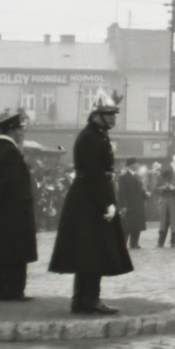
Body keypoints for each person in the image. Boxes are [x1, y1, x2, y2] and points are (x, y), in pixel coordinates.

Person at [48, 91, 133, 313]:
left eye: (114, 113)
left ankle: (84, 298)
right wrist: (107, 202)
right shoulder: (89, 137)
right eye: (107, 113)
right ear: (96, 115)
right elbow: (94, 173)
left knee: (90, 251)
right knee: (92, 251)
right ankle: (87, 298)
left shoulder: (97, 135)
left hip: (90, 196)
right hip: (89, 198)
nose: (112, 117)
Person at [0, 108, 38, 301]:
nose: (22, 133)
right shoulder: (11, 152)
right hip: (14, 211)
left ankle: (0, 289)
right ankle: (14, 291)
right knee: (16, 252)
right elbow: (9, 182)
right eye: (20, 130)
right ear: (14, 131)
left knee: (0, 253)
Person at [117, 158, 149, 250]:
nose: (138, 165)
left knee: (137, 225)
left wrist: (145, 195)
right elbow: (121, 193)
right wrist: (123, 206)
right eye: (136, 164)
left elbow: (140, 189)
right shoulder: (124, 177)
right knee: (126, 226)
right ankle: (123, 244)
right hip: (129, 205)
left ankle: (134, 243)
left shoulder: (137, 176)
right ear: (131, 165)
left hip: (138, 204)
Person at [155, 158, 175, 248]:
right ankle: (160, 242)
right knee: (163, 223)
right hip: (165, 204)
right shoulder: (159, 176)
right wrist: (163, 188)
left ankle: (173, 242)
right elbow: (156, 188)